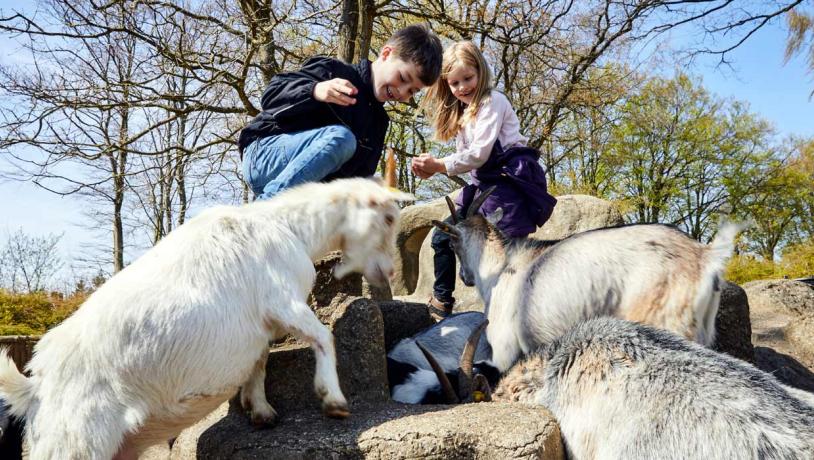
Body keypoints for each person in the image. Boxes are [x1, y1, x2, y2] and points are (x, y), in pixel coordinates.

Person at [412, 41, 557, 321]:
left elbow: (479, 154)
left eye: (468, 78)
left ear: (481, 71)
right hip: (481, 189)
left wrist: (440, 165)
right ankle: (442, 300)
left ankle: (517, 314)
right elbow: (467, 159)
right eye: (455, 83)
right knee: (443, 236)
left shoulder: (493, 102)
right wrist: (433, 169)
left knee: (507, 255)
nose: (462, 87)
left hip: (506, 186)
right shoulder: (461, 113)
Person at [239, 24, 443, 200]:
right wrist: (315, 91)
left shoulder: (378, 124)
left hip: (304, 190)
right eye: (403, 78)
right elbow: (271, 95)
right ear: (386, 54)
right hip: (263, 153)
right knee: (343, 139)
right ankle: (263, 211)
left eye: (412, 91)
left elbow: (358, 181)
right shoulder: (334, 71)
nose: (402, 92)